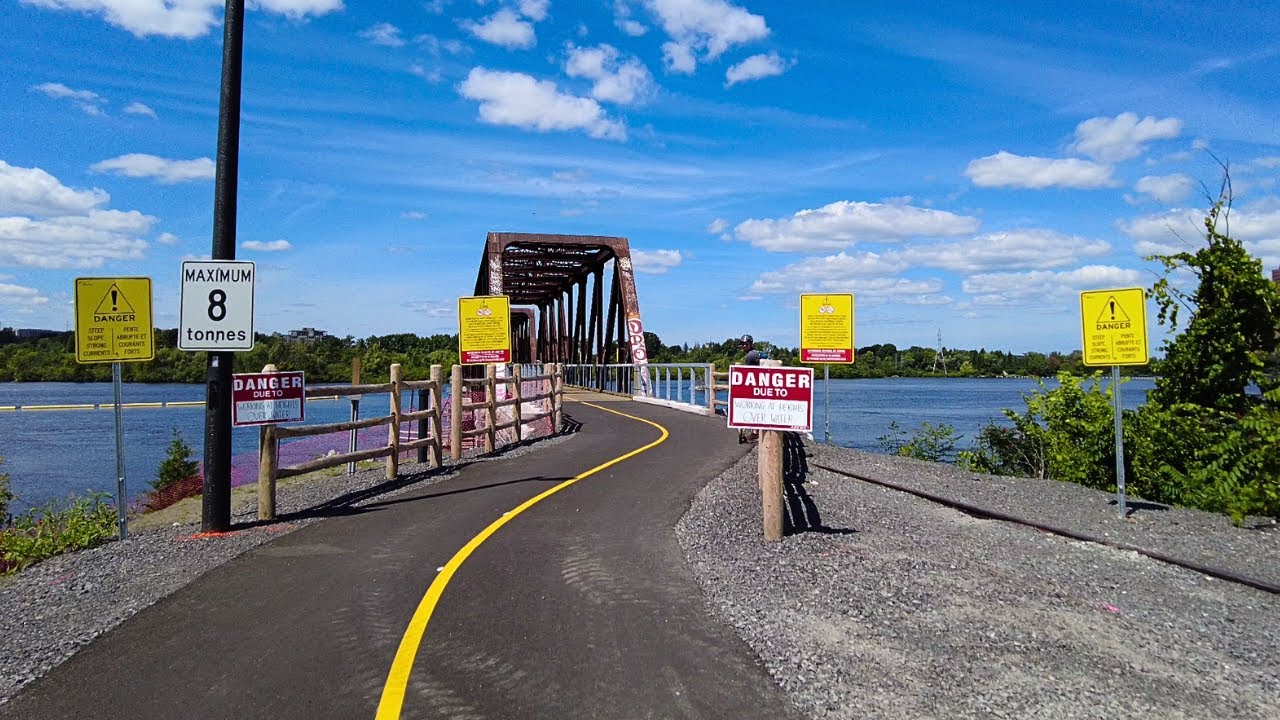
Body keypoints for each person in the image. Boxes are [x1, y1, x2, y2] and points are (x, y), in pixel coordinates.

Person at [739, 334, 760, 443]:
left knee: (753, 408)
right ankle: (756, 431)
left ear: (750, 344)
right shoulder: (756, 353)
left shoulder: (749, 356)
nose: (743, 346)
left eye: (745, 344)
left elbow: (748, 374)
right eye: (742, 344)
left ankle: (755, 433)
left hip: (756, 385)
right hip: (762, 384)